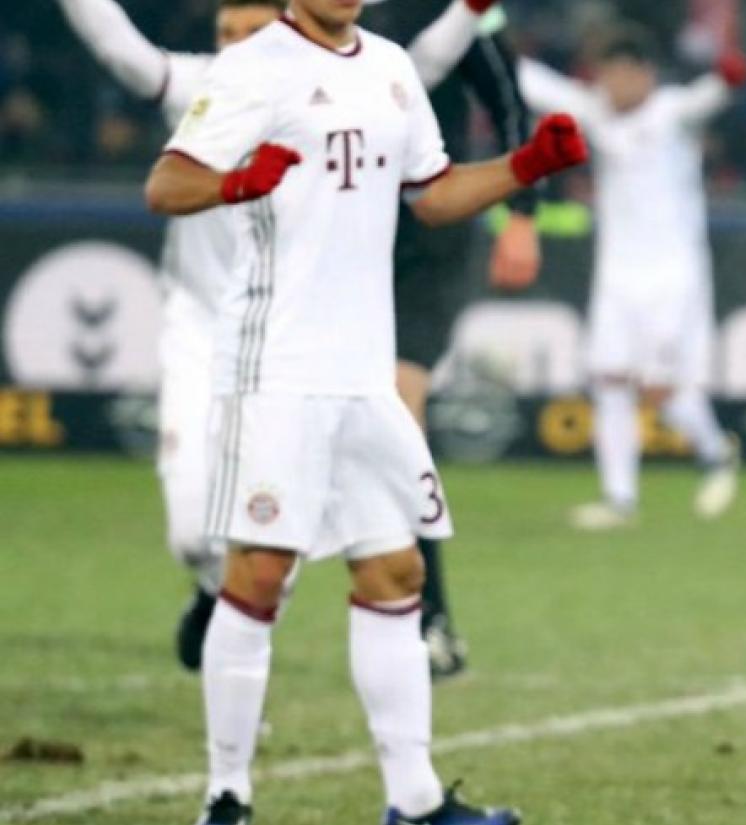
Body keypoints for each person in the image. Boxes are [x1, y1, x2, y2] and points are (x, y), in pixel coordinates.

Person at [142, 0, 586, 820]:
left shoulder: (389, 67)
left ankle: (413, 803)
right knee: (260, 575)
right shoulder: (251, 67)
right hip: (275, 367)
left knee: (396, 572)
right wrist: (235, 182)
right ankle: (227, 796)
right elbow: (167, 183)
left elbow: (435, 193)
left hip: (363, 374)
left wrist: (523, 168)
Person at [54, 0, 485, 674]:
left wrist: (469, 15)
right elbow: (117, 48)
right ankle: (213, 602)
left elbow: (421, 70)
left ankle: (405, 716)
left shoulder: (344, 79)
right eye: (225, 33)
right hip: (206, 330)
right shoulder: (208, 84)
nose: (236, 44)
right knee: (197, 532)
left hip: (299, 335)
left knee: (341, 537)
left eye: (249, 32)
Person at [362, 0, 549, 680]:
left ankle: (430, 616)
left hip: (424, 236)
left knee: (396, 406)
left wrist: (522, 213)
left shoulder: (450, 9)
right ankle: (230, 599)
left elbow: (506, 98)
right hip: (331, 233)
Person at [515, 28, 746, 530]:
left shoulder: (672, 111)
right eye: (608, 75)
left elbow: (717, 90)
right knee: (609, 381)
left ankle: (714, 452)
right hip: (616, 272)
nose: (616, 86)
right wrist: (480, 32)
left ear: (645, 75)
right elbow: (534, 84)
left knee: (657, 390)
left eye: (626, 75)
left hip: (672, 271)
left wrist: (728, 68)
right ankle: (619, 499)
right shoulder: (593, 109)